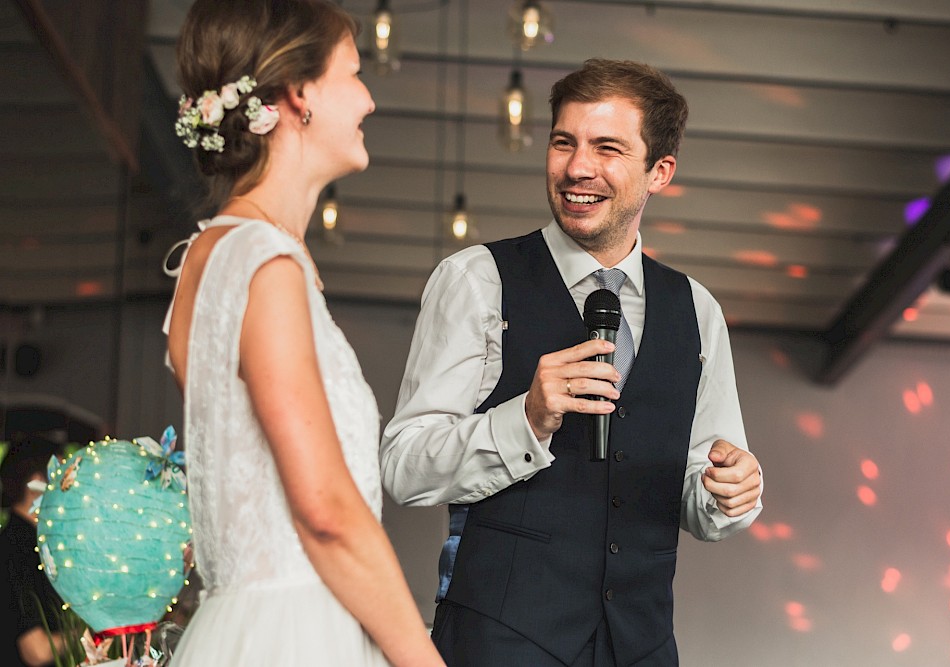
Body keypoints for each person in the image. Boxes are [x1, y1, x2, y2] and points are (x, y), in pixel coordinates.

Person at [380, 58, 763, 666]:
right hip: (497, 645)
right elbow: (403, 468)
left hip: (641, 648)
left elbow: (701, 493)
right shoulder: (477, 280)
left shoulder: (698, 311)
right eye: (564, 142)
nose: (577, 167)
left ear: (659, 171)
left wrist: (730, 491)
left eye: (607, 148)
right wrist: (525, 418)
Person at [161, 1, 443, 665]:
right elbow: (324, 509)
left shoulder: (210, 260)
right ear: (299, 94)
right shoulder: (264, 263)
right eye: (353, 73)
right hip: (295, 636)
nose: (370, 100)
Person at [1, 434, 68, 667]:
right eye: (62, 478)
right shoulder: (16, 551)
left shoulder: (31, 544)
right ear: (37, 483)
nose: (68, 490)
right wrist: (93, 632)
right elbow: (37, 649)